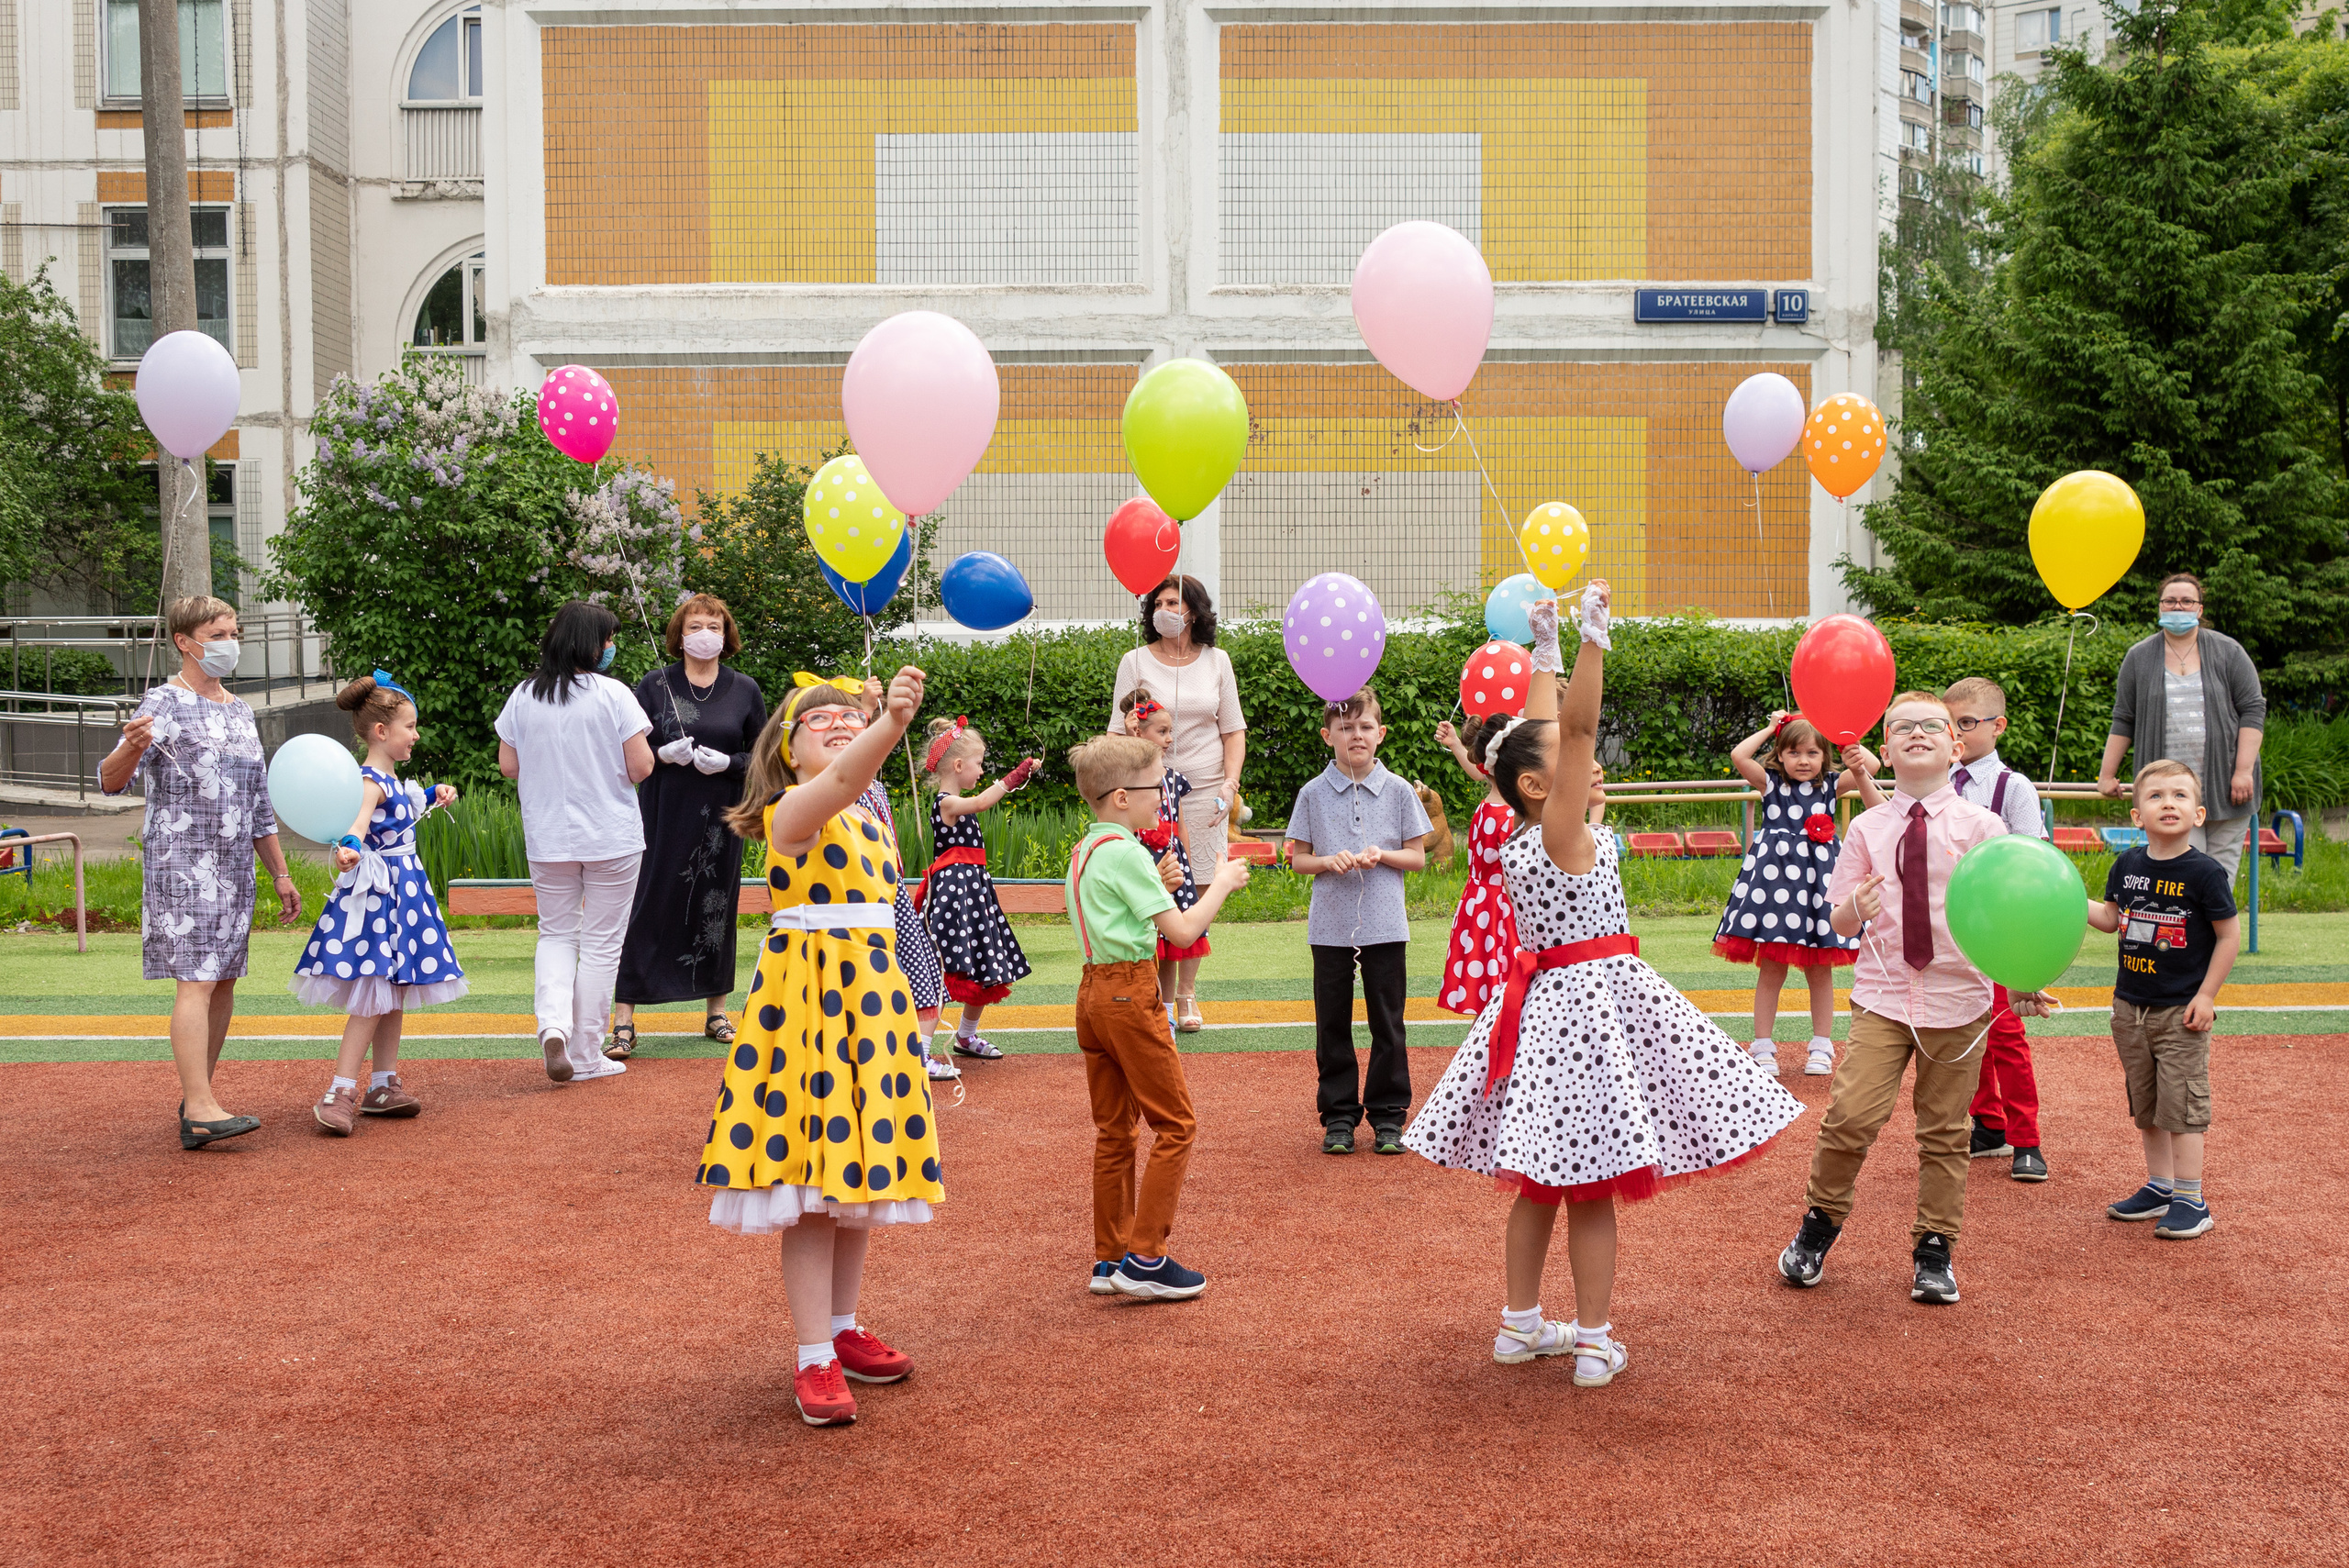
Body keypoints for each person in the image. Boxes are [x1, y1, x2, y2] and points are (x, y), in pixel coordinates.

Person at [1405, 583, 1804, 1388]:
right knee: (1588, 1185)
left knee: (1543, 1186)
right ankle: (1592, 1341)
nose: (1583, 760)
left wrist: (1545, 652)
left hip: (1555, 1009)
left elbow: (1542, 732)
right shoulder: (1561, 831)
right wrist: (1593, 638)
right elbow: (1573, 729)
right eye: (1566, 763)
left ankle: (1522, 1326)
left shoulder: (1524, 827)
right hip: (1588, 1010)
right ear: (1537, 787)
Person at [695, 666, 942, 1428]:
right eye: (817, 718)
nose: (836, 722)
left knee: (856, 1185)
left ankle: (840, 1328)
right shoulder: (790, 810)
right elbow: (842, 776)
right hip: (809, 1009)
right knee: (808, 1194)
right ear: (786, 748)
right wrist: (888, 724)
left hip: (869, 1004)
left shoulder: (869, 818)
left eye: (846, 713)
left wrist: (880, 725)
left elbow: (854, 780)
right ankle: (812, 1353)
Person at [1776, 690, 2055, 1306]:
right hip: (1883, 996)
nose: (1918, 733)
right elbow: (1841, 920)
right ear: (1885, 750)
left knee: (1945, 1132)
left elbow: (2011, 909)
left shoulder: (1985, 827)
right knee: (1850, 1116)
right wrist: (1856, 906)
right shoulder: (1868, 828)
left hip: (1960, 998)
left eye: (1933, 725)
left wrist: (2025, 976)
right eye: (1902, 727)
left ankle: (1935, 1249)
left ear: (1956, 746)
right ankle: (1817, 1228)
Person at [98, 595, 303, 1149]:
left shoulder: (239, 709)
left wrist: (281, 873)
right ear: (185, 642)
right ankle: (202, 1105)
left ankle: (197, 1100)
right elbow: (110, 779)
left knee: (225, 980)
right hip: (184, 865)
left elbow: (257, 801)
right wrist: (132, 746)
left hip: (236, 866)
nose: (229, 643)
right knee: (198, 979)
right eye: (217, 633)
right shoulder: (162, 701)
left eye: (233, 631)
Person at [1064, 733, 1253, 1301]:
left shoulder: (1089, 848)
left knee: (1115, 1130)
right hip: (1128, 993)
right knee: (1176, 1124)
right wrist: (1220, 883)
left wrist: (1162, 885)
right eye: (1155, 789)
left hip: (1093, 993)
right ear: (1121, 796)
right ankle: (1146, 1257)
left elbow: (1121, 910)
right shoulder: (1127, 851)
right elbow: (1184, 931)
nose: (1162, 800)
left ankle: (1111, 1256)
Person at [292, 673, 466, 1133]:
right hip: (381, 896)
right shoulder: (369, 779)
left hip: (403, 893)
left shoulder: (394, 780)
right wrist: (350, 846)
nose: (416, 734)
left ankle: (383, 1083)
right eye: (410, 726)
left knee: (395, 990)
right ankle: (341, 1089)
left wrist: (433, 795)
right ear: (381, 732)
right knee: (373, 992)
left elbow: (399, 813)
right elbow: (361, 822)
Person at [495, 601, 654, 1085]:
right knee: (602, 945)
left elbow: (509, 766)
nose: (611, 646)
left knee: (557, 933)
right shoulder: (614, 694)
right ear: (590, 642)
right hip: (611, 834)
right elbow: (641, 766)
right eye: (607, 638)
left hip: (548, 836)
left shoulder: (524, 695)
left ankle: (552, 1027)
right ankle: (585, 1050)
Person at [607, 594, 767, 1061]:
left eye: (714, 626)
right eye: (696, 625)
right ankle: (624, 1021)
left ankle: (717, 1011)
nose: (705, 634)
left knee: (716, 907)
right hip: (662, 812)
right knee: (647, 904)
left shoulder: (745, 689)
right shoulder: (654, 684)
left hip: (721, 818)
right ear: (679, 634)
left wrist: (730, 762)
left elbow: (763, 755)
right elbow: (626, 750)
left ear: (726, 635)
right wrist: (660, 755)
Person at [2090, 760, 2239, 1241]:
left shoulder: (2205, 872)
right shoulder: (2126, 865)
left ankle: (2191, 1199)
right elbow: (2112, 919)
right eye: (2155, 796)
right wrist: (2064, 895)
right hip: (2129, 1007)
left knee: (2183, 1106)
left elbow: (2228, 936)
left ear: (2198, 814)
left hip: (2181, 1011)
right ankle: (2160, 1187)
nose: (2167, 803)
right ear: (2136, 816)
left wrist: (2207, 995)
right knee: (2148, 1103)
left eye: (2179, 796)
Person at [1284, 684, 1433, 1159]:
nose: (1356, 736)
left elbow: (1417, 857)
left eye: (1365, 727)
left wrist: (1380, 855)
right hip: (1328, 927)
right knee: (1332, 1021)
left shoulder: (1399, 791)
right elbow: (1299, 861)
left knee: (1388, 1021)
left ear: (1381, 733)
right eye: (1346, 728)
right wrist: (1328, 861)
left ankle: (1389, 1116)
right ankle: (1340, 1116)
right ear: (1327, 735)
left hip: (1387, 925)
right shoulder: (1311, 793)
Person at [1108, 575, 1248, 1031]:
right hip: (1150, 792)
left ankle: (1186, 995)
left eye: (1174, 602)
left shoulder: (1217, 661)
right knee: (1154, 889)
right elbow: (1115, 732)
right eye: (1159, 602)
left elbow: (1233, 730)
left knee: (1200, 888)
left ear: (1194, 611)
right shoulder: (1133, 660)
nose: (1164, 609)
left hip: (1207, 790)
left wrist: (1230, 784)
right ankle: (1154, 995)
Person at [1712, 711, 1882, 1077]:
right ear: (1780, 755)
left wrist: (1840, 732)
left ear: (1825, 755)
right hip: (1774, 891)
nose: (1802, 761)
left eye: (1811, 753)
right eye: (1793, 752)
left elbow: (1872, 764)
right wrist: (1771, 727)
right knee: (1771, 968)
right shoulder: (1771, 784)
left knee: (1820, 970)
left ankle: (1822, 1045)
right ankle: (1762, 1046)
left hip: (1820, 888)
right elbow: (1740, 756)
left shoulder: (1833, 785)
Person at [1943, 676, 2054, 1183]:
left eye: (1967, 724)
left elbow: (2034, 858)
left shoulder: (2014, 787)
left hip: (1999, 926)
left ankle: (2026, 1139)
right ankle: (1988, 1124)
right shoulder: (1939, 782)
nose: (1957, 735)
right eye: (1950, 726)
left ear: (1997, 726)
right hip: (1949, 926)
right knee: (1967, 1031)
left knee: (2005, 1033)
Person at [2097, 572, 2266, 884]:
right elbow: (2124, 719)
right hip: (2168, 794)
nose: (2178, 607)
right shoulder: (2139, 657)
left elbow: (2253, 710)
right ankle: (2185, 934)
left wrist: (2243, 770)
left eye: (2187, 601)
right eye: (2170, 601)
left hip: (2228, 785)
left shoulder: (2229, 652)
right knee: (2181, 876)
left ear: (2200, 609)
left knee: (2220, 880)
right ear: (2160, 607)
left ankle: (2218, 935)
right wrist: (2107, 775)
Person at [836, 674, 955, 1083]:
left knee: (922, 972)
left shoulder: (874, 786)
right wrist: (868, 711)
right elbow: (845, 765)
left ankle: (917, 1053)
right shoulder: (834, 786)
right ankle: (883, 1054)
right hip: (860, 903)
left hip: (889, 897)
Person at [916, 717, 1038, 1059]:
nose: (982, 770)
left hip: (973, 891)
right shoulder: (947, 803)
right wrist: (1014, 776)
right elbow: (982, 802)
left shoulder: (954, 803)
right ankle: (921, 1052)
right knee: (946, 966)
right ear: (957, 765)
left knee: (985, 962)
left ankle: (966, 1037)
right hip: (954, 895)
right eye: (979, 763)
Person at [1119, 687, 1206, 1029]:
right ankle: (1143, 1008)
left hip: (1172, 861)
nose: (1169, 738)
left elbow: (1181, 828)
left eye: (1171, 731)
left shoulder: (1173, 779)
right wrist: (1130, 734)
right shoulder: (1125, 773)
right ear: (1139, 732)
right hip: (1141, 858)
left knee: (1171, 943)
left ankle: (1167, 1010)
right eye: (1162, 731)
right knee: (1144, 938)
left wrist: (1186, 867)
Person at [1431, 713, 1520, 1020]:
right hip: (1504, 912)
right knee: (1508, 997)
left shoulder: (1489, 806)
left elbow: (1479, 772)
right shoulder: (1511, 817)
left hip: (1479, 906)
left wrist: (1456, 744)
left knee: (1489, 995)